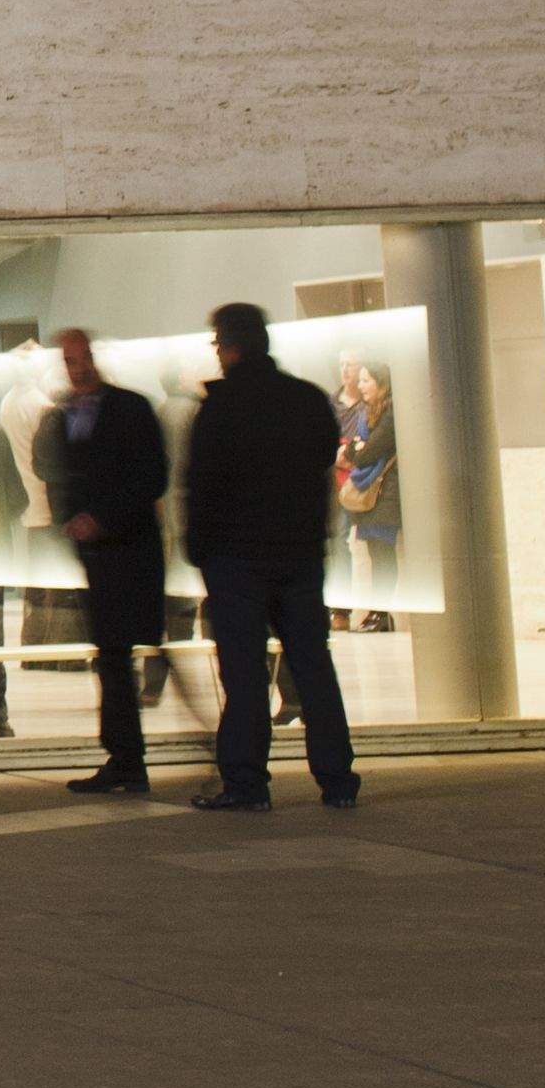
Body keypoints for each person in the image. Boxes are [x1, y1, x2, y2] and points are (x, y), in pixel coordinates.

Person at [184, 303, 355, 811]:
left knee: (244, 674)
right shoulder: (306, 399)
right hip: (298, 553)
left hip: (236, 558)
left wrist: (201, 548)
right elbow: (323, 461)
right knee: (312, 666)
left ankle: (246, 782)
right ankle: (337, 779)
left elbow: (203, 484)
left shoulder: (220, 408)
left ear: (229, 346)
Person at [38, 326, 172, 795]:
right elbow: (60, 474)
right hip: (99, 554)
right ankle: (124, 757)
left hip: (129, 552)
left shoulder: (129, 409)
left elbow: (150, 476)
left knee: (118, 654)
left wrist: (100, 518)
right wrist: (73, 519)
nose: (78, 369)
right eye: (70, 361)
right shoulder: (66, 416)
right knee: (112, 657)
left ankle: (127, 758)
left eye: (82, 359)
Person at [335, 363, 398, 632]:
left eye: (366, 380)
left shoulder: (390, 411)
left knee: (383, 555)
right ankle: (376, 612)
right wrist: (357, 449)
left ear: (381, 383)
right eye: (360, 381)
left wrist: (356, 451)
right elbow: (355, 446)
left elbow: (366, 452)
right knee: (374, 554)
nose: (360, 386)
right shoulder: (366, 413)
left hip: (385, 492)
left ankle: (381, 614)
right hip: (368, 492)